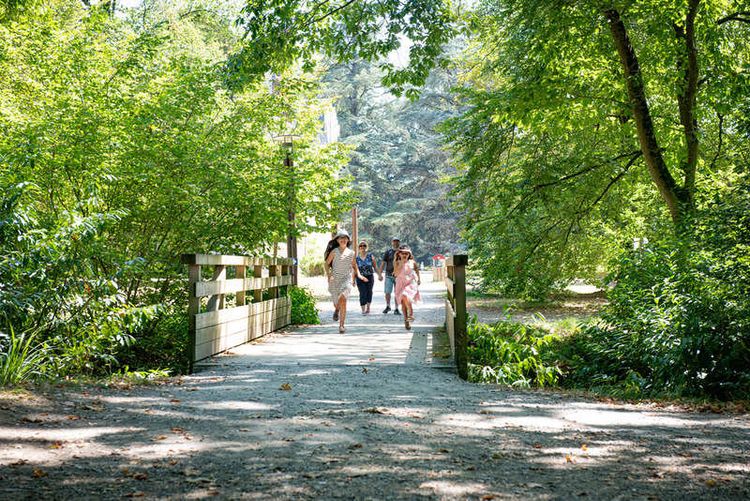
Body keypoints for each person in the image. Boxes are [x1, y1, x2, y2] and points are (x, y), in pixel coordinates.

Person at [325, 230, 367, 333]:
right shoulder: (334, 251)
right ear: (337, 240)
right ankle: (336, 310)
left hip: (346, 280)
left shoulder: (351, 253)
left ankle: (341, 325)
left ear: (348, 240)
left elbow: (354, 266)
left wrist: (360, 275)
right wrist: (329, 274)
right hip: (334, 279)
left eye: (345, 238)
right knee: (337, 303)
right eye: (341, 238)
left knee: (343, 298)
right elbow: (326, 264)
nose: (343, 240)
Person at [393, 244, 421, 330]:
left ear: (409, 254)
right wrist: (401, 263)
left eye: (406, 253)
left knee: (406, 295)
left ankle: (411, 314)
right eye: (402, 253)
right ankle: (406, 320)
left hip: (410, 282)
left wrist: (419, 279)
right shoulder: (396, 262)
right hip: (400, 283)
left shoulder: (412, 262)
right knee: (403, 303)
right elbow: (396, 274)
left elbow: (416, 270)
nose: (404, 255)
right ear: (399, 254)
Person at [355, 240, 382, 314]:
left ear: (366, 247)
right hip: (360, 277)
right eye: (361, 246)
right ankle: (363, 309)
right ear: (358, 248)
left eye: (364, 246)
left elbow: (375, 266)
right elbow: (355, 270)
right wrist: (352, 280)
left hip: (370, 276)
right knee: (362, 292)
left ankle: (368, 307)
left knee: (369, 292)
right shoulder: (356, 258)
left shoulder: (370, 256)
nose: (362, 247)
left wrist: (379, 275)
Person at [378, 237, 401, 315]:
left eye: (397, 241)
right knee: (387, 292)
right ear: (392, 242)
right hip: (388, 275)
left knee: (397, 292)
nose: (395, 243)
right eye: (394, 241)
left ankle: (397, 308)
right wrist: (380, 274)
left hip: (399, 275)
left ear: (399, 243)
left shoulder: (402, 252)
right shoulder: (388, 252)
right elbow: (383, 263)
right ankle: (388, 306)